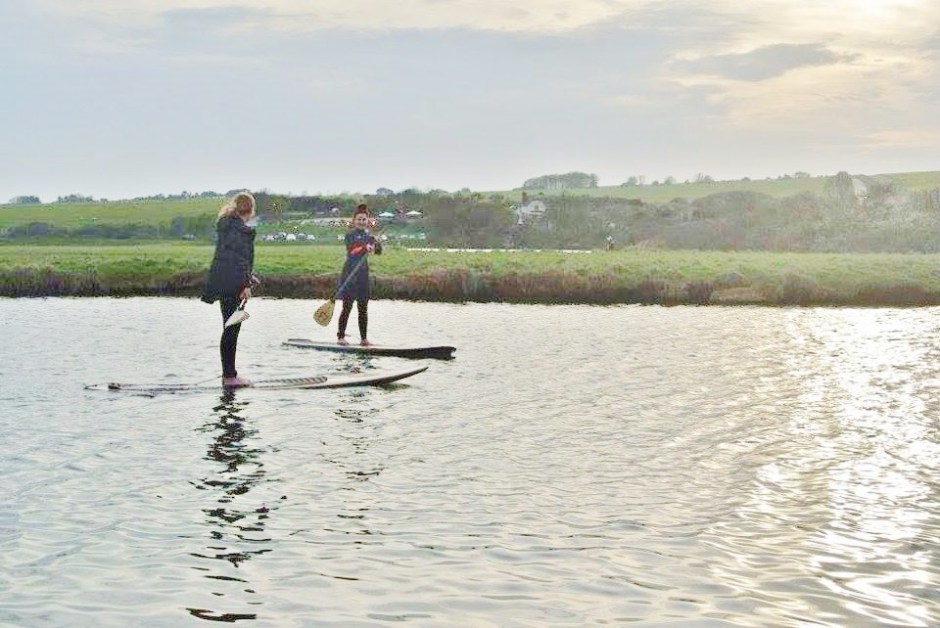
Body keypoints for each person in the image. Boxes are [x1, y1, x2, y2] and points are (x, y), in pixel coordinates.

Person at [201, 192, 257, 388]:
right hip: (234, 284)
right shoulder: (242, 230)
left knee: (229, 326)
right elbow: (240, 260)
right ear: (251, 210)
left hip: (223, 281)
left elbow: (230, 258)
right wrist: (245, 285)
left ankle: (229, 374)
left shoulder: (226, 225)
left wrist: (248, 277)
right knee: (232, 328)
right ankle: (230, 376)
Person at [336, 203, 382, 346]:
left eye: (364, 219)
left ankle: (364, 339)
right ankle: (341, 337)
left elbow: (379, 252)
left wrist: (377, 244)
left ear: (368, 221)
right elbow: (352, 251)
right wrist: (364, 247)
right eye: (359, 219)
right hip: (350, 274)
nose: (362, 222)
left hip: (362, 275)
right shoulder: (349, 235)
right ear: (354, 221)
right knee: (347, 307)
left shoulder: (370, 236)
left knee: (363, 308)